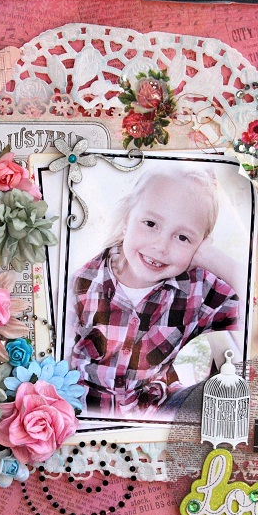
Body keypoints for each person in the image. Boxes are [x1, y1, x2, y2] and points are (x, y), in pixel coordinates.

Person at [70, 164, 239, 418]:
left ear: (201, 245)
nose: (161, 246)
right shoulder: (84, 283)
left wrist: (208, 256)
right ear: (127, 220)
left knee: (229, 394)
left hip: (158, 410)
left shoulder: (198, 288)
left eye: (183, 237)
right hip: (85, 413)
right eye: (150, 223)